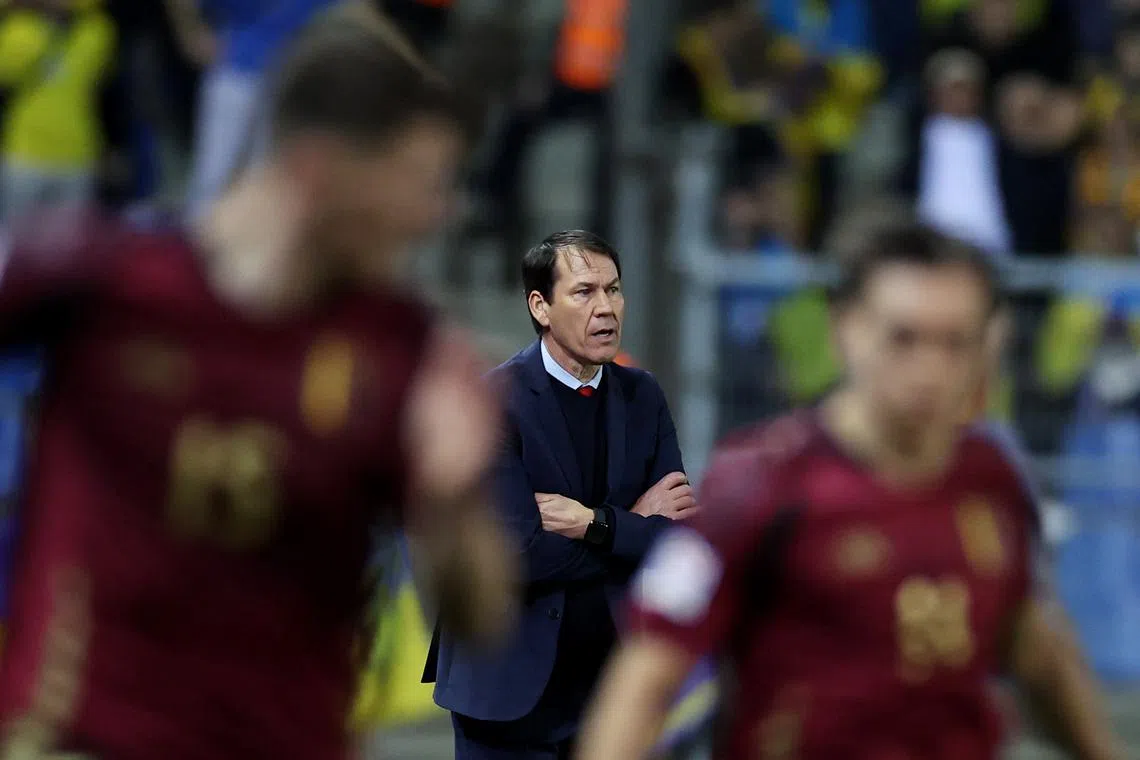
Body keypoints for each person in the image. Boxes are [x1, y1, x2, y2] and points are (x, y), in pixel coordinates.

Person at [0, 6, 516, 759]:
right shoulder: (107, 287)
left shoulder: (406, 354)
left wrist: (452, 501)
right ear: (318, 167)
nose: (431, 216)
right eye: (417, 181)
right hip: (84, 738)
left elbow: (479, 620)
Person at [575, 218, 1123, 760]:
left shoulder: (993, 479)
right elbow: (649, 674)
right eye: (903, 338)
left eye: (957, 342)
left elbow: (1030, 638)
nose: (931, 369)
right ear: (846, 328)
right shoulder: (760, 483)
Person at [425, 230, 698, 759]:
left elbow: (676, 542)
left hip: (609, 699)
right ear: (540, 306)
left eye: (614, 290)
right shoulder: (492, 403)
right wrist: (628, 526)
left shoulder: (644, 396)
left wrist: (592, 522)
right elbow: (516, 555)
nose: (606, 308)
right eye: (585, 292)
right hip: (506, 694)